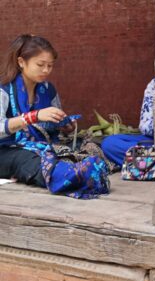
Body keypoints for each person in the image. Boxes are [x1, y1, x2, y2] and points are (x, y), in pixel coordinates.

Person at [0, 35, 109, 198]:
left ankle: (81, 172)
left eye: (50, 66)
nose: (46, 70)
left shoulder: (47, 89)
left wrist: (65, 126)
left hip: (41, 145)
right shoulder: (4, 90)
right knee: (27, 159)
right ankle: (73, 176)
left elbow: (54, 127)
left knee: (90, 146)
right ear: (21, 62)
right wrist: (33, 116)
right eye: (40, 65)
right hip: (7, 150)